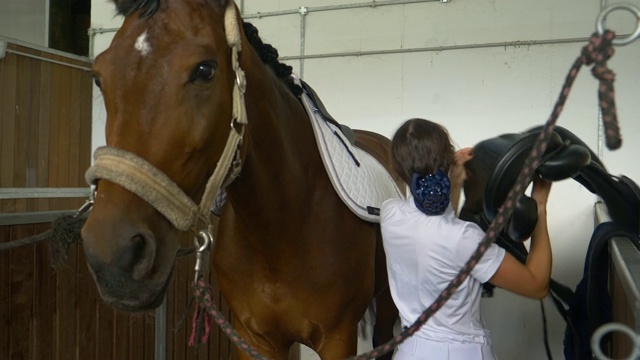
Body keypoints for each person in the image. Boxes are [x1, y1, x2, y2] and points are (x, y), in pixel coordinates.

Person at [380, 118, 553, 360]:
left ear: (398, 169)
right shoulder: (466, 239)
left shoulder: (390, 216)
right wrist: (540, 206)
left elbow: (434, 223)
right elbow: (537, 285)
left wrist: (455, 180)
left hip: (410, 351)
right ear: (447, 160)